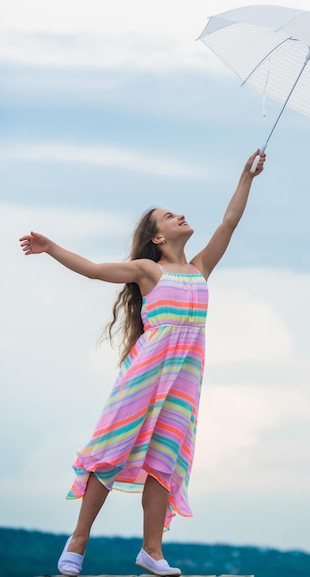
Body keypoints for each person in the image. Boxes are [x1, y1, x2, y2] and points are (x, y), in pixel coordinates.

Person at [19, 149, 266, 577]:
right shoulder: (148, 271)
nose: (181, 216)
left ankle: (152, 550)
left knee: (164, 459)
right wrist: (50, 247)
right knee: (111, 452)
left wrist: (247, 175)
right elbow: (95, 270)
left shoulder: (199, 267)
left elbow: (229, 221)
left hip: (185, 381)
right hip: (144, 378)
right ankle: (78, 541)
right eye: (171, 216)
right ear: (158, 238)